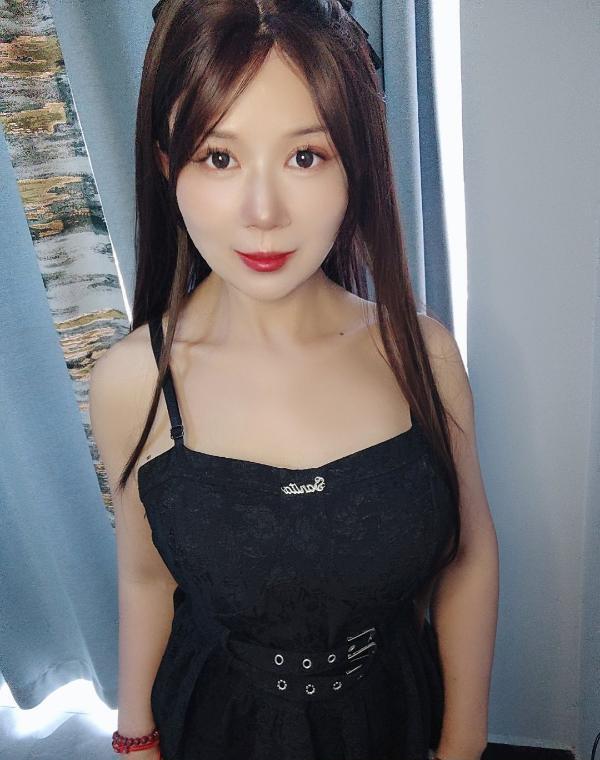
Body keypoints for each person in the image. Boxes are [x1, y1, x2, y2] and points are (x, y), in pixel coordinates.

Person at [89, 1, 499, 759]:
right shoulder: (131, 382)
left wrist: (462, 746)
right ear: (166, 163)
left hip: (393, 718)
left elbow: (468, 558)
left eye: (305, 156)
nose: (263, 213)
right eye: (219, 157)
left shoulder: (423, 354)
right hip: (218, 726)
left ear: (355, 165)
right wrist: (136, 739)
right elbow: (146, 580)